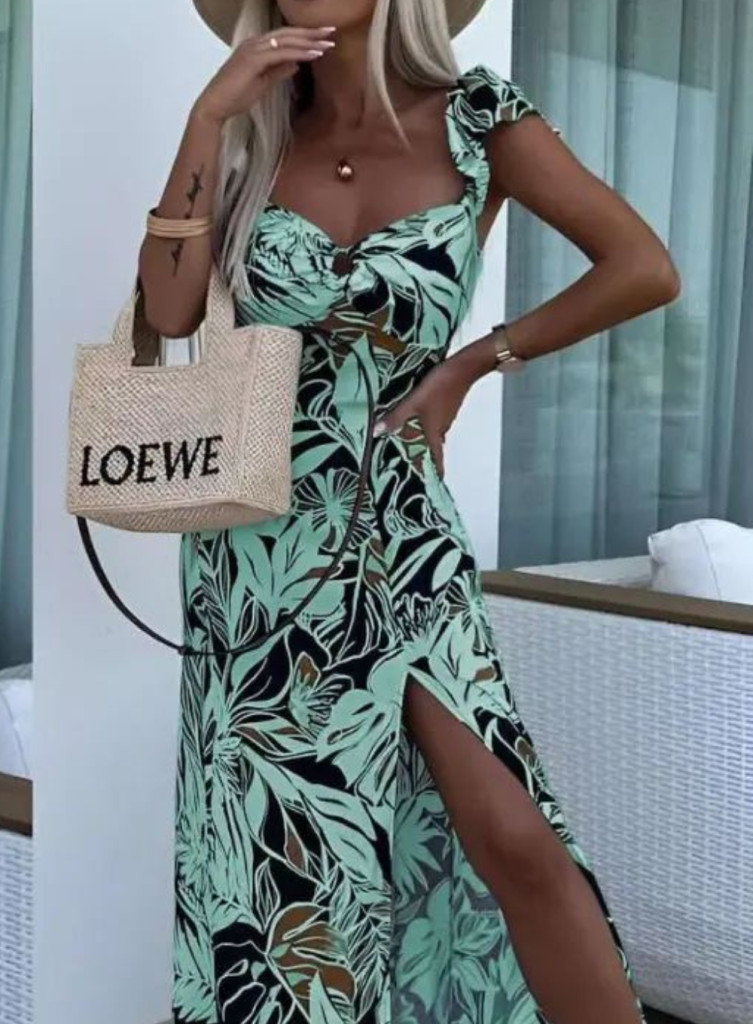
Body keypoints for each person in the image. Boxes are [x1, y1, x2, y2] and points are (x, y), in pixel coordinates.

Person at [138, 2, 680, 1022]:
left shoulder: (477, 118)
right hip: (261, 548)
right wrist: (207, 119)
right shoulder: (256, 137)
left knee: (512, 833)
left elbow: (642, 267)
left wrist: (476, 361)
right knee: (292, 859)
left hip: (402, 520)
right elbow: (168, 314)